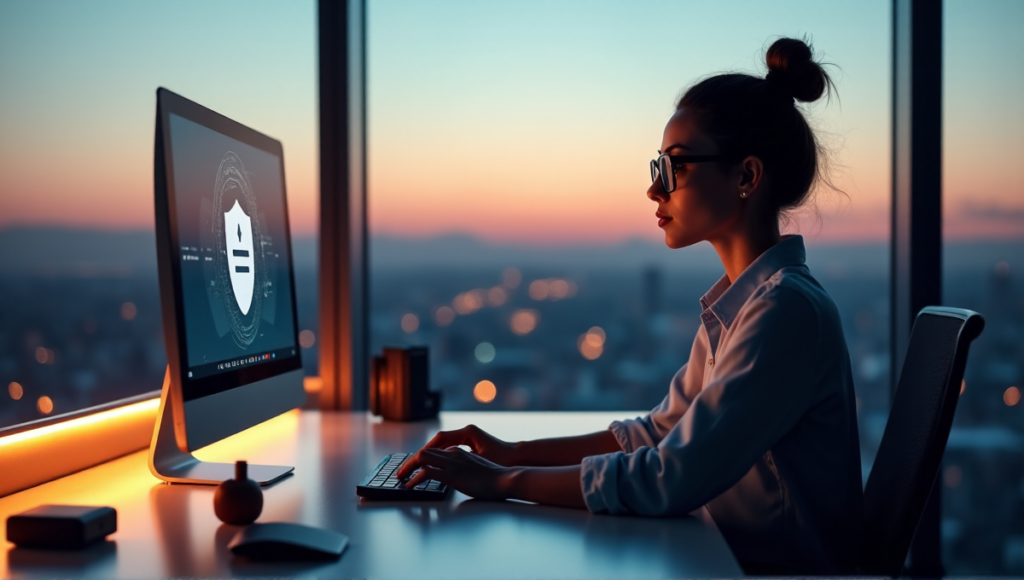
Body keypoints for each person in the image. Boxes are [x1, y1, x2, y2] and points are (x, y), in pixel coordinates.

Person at [396, 37, 863, 575]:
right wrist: (510, 452)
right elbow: (660, 433)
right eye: (657, 166)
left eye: (675, 167)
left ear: (746, 177)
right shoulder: (745, 305)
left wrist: (501, 483)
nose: (652, 190)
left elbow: (671, 476)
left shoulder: (785, 313)